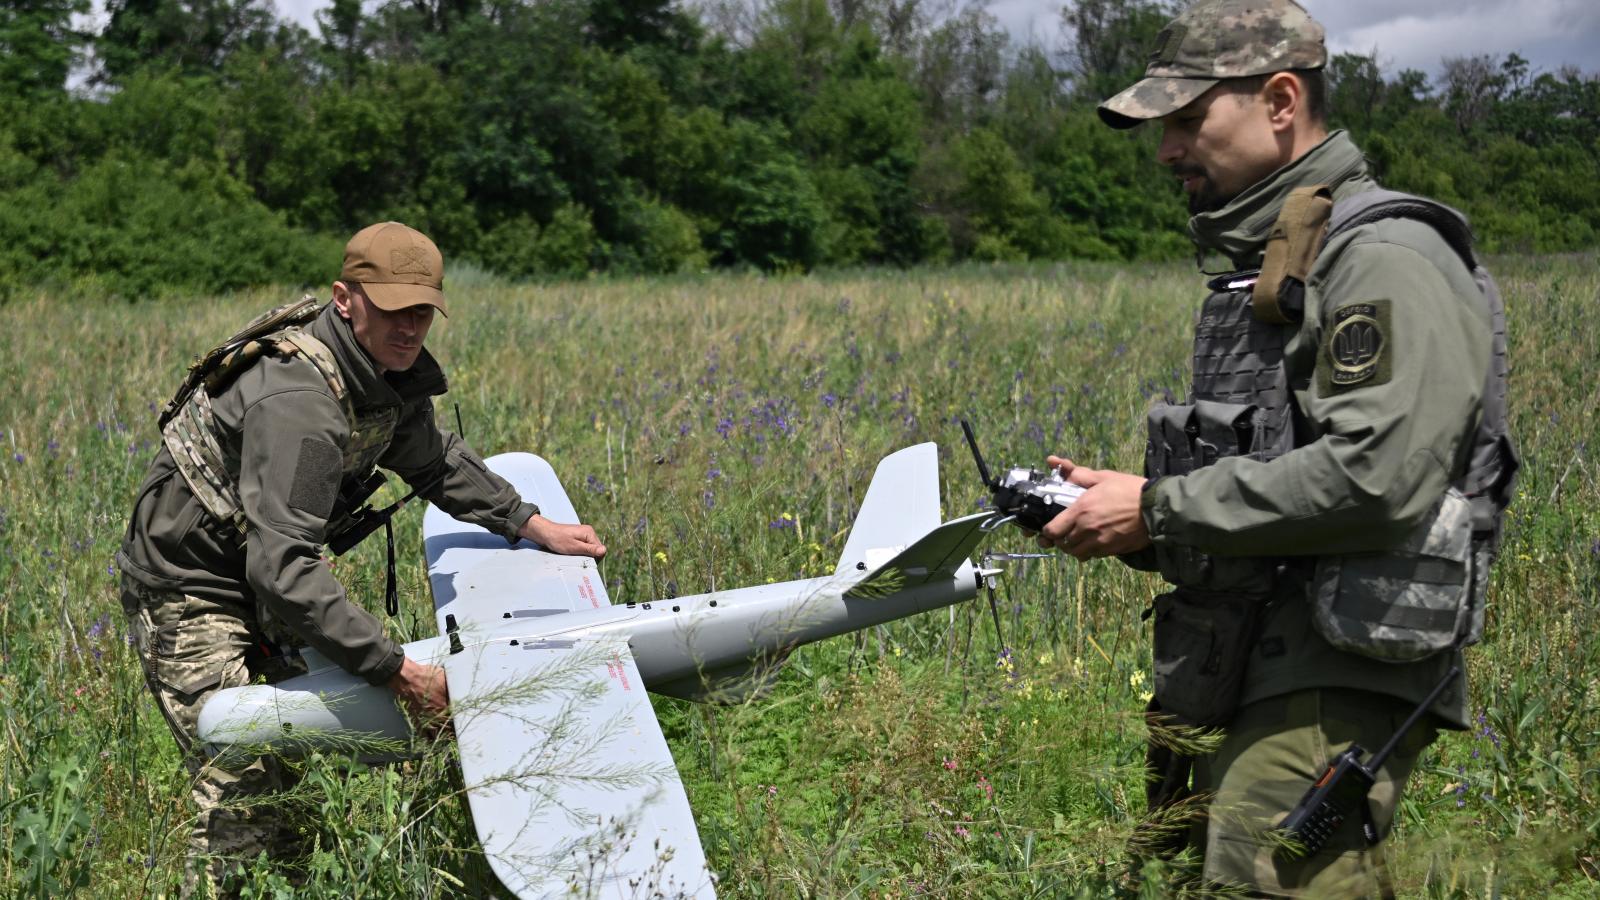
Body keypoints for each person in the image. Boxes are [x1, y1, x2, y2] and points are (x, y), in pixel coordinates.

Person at [1035, 1, 1515, 895]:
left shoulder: (1384, 259)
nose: (1167, 149)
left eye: (1187, 119)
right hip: (1248, 670)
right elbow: (1286, 472)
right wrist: (1140, 520)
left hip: (1324, 687)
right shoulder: (1288, 261)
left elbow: (1378, 478)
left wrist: (1158, 505)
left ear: (1282, 101)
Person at [117, 221, 607, 893]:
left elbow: (433, 462)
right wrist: (394, 669)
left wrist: (526, 520)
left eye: (422, 313)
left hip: (262, 565)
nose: (409, 327)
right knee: (248, 784)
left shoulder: (382, 373)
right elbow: (283, 568)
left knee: (318, 760)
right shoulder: (301, 401)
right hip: (192, 584)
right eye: (392, 309)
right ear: (345, 299)